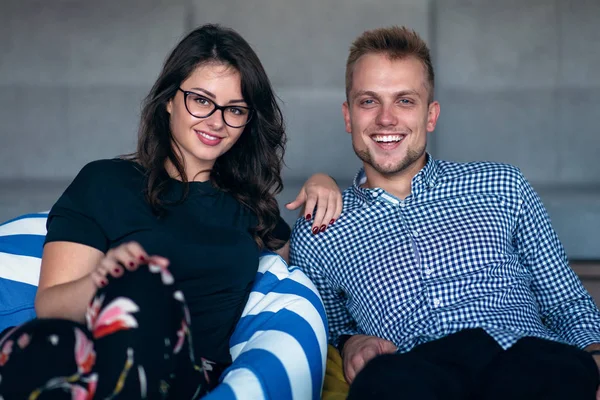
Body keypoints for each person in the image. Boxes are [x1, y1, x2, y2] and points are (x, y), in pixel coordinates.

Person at [0, 24, 341, 399]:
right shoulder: (105, 182)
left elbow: (291, 277)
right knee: (32, 343)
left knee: (146, 283)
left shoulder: (252, 207)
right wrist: (105, 277)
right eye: (201, 100)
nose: (216, 120)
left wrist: (321, 180)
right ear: (169, 100)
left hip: (185, 373)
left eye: (235, 110)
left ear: (248, 121)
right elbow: (51, 304)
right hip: (97, 353)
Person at [290, 26, 600, 400]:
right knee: (380, 386)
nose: (386, 119)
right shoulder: (320, 226)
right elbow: (328, 332)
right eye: (369, 101)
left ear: (431, 115)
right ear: (348, 116)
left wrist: (596, 355)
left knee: (553, 372)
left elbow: (565, 300)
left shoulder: (502, 185)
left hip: (523, 356)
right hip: (414, 373)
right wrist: (351, 341)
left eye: (405, 101)